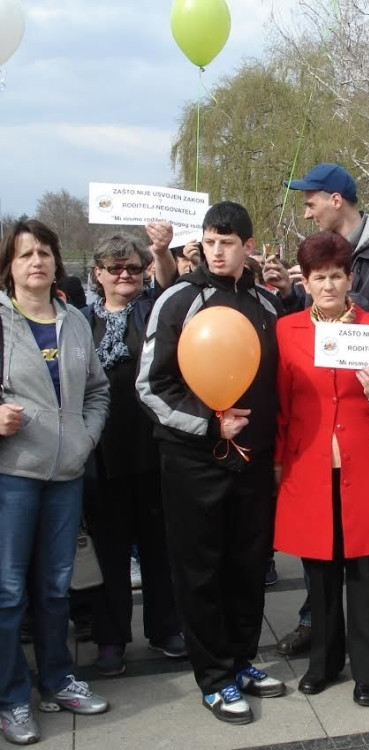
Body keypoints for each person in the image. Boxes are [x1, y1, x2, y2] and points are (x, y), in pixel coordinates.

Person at [136, 202, 286, 725]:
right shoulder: (178, 299)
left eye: (227, 241)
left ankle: (242, 660)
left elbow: (277, 385)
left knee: (247, 566)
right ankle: (215, 676)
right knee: (200, 570)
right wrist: (208, 423)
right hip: (192, 462)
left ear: (248, 245)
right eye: (209, 241)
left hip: (253, 462)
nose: (216, 250)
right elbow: (151, 385)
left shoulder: (267, 304)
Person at [283, 162, 369, 665]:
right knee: (322, 560)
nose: (306, 207)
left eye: (311, 198)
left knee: (365, 561)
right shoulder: (291, 328)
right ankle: (323, 649)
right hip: (316, 456)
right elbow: (288, 399)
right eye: (319, 278)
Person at [0, 220, 111, 745]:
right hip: (12, 476)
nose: (36, 262)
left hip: (66, 474)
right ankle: (12, 698)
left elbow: (98, 391)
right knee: (8, 592)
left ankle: (58, 678)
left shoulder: (75, 322)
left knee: (54, 588)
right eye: (25, 255)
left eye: (44, 252)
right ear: (10, 265)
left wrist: (86, 438)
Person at [84, 227, 186, 678]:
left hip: (153, 448)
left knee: (158, 546)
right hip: (102, 453)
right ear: (98, 274)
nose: (124, 274)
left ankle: (165, 628)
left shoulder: (153, 310)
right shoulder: (79, 322)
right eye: (114, 268)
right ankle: (111, 639)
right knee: (109, 551)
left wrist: (161, 252)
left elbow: (169, 283)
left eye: (132, 267)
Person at [286, 162, 369, 325]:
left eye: (311, 205)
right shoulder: (319, 250)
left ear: (336, 201)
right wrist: (287, 293)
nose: (307, 215)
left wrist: (339, 296)